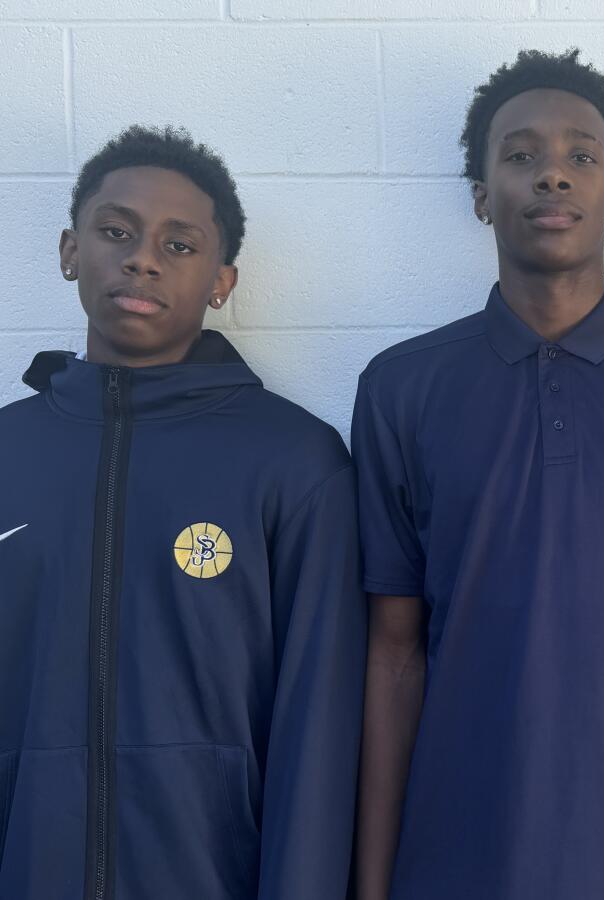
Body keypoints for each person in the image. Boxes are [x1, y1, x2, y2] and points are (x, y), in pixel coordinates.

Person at [353, 48, 604, 900]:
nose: (552, 176)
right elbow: (394, 657)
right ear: (480, 196)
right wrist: (372, 881)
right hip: (459, 855)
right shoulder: (402, 389)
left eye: (582, 156)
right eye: (520, 156)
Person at [0, 126, 366, 899]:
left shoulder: (296, 464)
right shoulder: (9, 451)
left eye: (179, 245)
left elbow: (319, 733)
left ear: (222, 281)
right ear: (70, 251)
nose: (141, 258)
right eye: (115, 232)